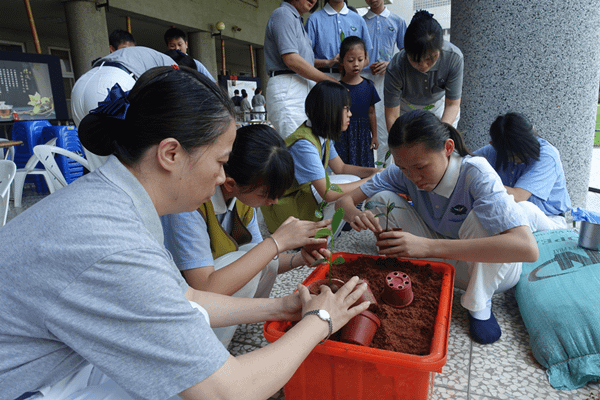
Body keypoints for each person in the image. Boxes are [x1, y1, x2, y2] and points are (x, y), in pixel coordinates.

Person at [0, 66, 370, 400]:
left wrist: (281, 307)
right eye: (221, 161)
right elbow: (228, 392)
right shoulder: (110, 243)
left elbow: (186, 298)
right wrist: (319, 321)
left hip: (56, 363)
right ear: (171, 154)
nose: (225, 177)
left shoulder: (112, 202)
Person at [335, 110, 539, 345]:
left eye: (421, 167)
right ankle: (413, 273)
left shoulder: (476, 173)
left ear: (448, 148)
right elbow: (344, 201)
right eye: (404, 169)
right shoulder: (403, 171)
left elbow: (527, 248)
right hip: (443, 256)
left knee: (480, 219)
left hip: (491, 270)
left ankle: (479, 304)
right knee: (381, 198)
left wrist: (427, 246)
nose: (413, 177)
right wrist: (355, 214)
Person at [162, 124, 327, 347]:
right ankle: (210, 347)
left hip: (208, 292)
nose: (274, 202)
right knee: (253, 255)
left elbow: (265, 260)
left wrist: (300, 258)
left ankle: (239, 322)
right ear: (230, 183)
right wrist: (277, 241)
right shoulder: (191, 205)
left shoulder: (242, 200)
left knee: (258, 255)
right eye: (266, 194)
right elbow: (204, 288)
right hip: (179, 303)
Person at [261, 81, 381, 234]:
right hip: (284, 210)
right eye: (346, 109)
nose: (350, 114)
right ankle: (320, 238)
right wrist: (372, 181)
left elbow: (341, 168)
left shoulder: (320, 135)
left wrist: (374, 171)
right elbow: (327, 192)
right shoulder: (304, 144)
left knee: (350, 179)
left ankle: (330, 231)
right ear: (330, 110)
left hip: (298, 199)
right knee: (347, 183)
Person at [71, 46, 178, 170]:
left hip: (82, 84)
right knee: (128, 161)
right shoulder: (175, 66)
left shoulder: (150, 56)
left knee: (98, 163)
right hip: (114, 83)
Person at [474, 112, 571, 231]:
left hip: (550, 220)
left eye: (524, 150)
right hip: (512, 217)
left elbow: (519, 196)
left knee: (524, 208)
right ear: (493, 145)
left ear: (533, 131)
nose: (521, 158)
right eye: (513, 155)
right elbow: (465, 163)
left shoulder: (547, 155)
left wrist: (481, 182)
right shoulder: (496, 149)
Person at [264, 0, 338, 139]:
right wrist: (329, 80)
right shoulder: (283, 14)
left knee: (309, 145)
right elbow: (291, 59)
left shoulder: (296, 19)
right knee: (298, 147)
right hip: (288, 86)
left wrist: (328, 62)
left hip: (303, 86)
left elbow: (304, 60)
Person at [384, 10, 463, 133]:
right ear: (406, 50)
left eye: (430, 59)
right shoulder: (396, 66)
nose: (423, 65)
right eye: (415, 60)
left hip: (440, 108)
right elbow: (392, 115)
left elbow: (452, 104)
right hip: (406, 109)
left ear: (440, 47)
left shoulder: (453, 57)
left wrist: (440, 134)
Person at [361, 0, 407, 165]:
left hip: (387, 81)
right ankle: (365, 166)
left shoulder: (397, 21)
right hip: (363, 79)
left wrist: (390, 64)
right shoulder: (360, 21)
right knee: (363, 122)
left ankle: (386, 168)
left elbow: (406, 54)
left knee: (385, 122)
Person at [336, 36, 380, 168]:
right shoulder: (337, 88)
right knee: (345, 169)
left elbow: (371, 113)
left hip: (364, 136)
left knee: (365, 168)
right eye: (351, 60)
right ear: (341, 61)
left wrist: (375, 136)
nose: (356, 64)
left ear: (366, 59)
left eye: (360, 59)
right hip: (343, 136)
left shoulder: (369, 86)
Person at [305, 0, 373, 81]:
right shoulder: (314, 19)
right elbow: (304, 59)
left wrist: (351, 65)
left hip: (352, 79)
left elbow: (366, 59)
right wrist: (328, 62)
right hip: (323, 78)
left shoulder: (358, 19)